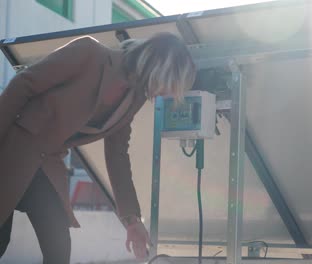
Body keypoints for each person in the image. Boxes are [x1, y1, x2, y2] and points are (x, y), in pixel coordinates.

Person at [0, 32, 196, 263]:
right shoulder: (89, 53)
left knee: (58, 248)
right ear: (159, 67)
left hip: (46, 164)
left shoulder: (134, 98)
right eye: (172, 85)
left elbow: (117, 154)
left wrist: (132, 221)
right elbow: (24, 84)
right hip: (12, 150)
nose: (170, 95)